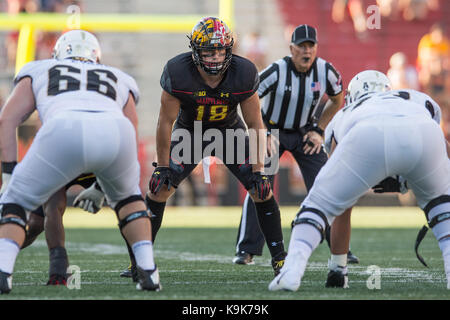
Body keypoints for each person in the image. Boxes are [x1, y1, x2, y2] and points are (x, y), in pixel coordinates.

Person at [0, 29, 161, 294]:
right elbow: (131, 127)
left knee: (15, 202)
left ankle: (3, 273)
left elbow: (7, 119)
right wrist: (104, 187)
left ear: (58, 55)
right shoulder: (118, 76)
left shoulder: (40, 68)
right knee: (130, 201)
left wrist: (8, 175)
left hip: (63, 129)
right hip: (115, 132)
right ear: (96, 57)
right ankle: (149, 272)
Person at [269, 70, 450, 291]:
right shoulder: (415, 98)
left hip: (366, 132)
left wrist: (338, 268)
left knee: (319, 204)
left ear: (352, 96)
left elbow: (342, 205)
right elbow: (441, 150)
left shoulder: (345, 113)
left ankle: (292, 271)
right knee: (443, 209)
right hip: (424, 132)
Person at [142, 16, 286, 277]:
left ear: (229, 49)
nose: (216, 57)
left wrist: (259, 170)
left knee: (261, 189)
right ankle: (139, 261)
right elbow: (165, 122)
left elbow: (255, 122)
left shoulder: (244, 72)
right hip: (190, 133)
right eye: (209, 50)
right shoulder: (178, 72)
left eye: (220, 50)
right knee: (158, 189)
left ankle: (280, 259)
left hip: (229, 131)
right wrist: (162, 167)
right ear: (195, 51)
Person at [233, 25, 359, 274]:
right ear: (291, 49)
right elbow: (250, 96)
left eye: (311, 46)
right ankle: (247, 249)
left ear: (316, 48)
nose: (306, 50)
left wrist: (320, 129)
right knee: (259, 183)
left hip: (305, 132)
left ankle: (340, 247)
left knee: (330, 184)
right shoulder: (277, 70)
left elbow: (338, 98)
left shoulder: (326, 71)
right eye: (301, 46)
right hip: (273, 131)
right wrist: (263, 131)